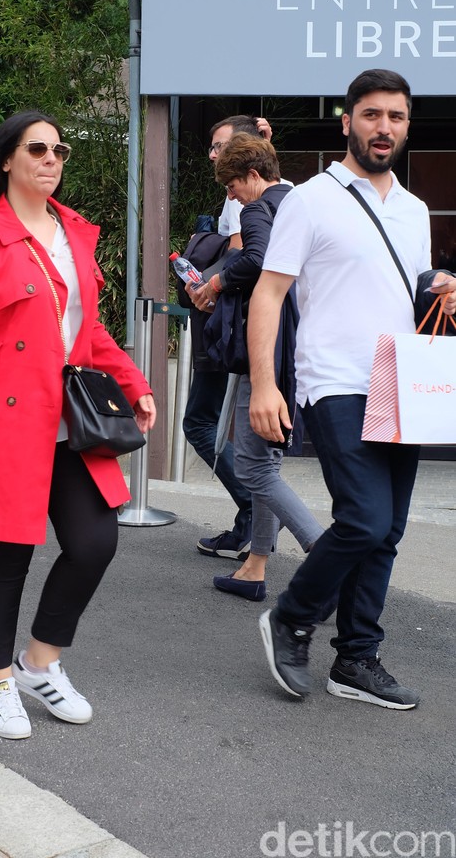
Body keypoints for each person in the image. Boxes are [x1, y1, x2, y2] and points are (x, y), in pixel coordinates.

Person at [0, 111, 156, 740]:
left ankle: (39, 662)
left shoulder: (73, 231)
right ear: (7, 158)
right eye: (38, 149)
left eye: (60, 150)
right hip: (1, 421)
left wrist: (134, 383)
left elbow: (87, 328)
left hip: (70, 420)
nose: (52, 160)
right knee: (6, 555)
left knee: (94, 543)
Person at [248, 68, 456, 709]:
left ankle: (356, 660)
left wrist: (444, 286)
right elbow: (270, 292)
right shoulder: (311, 199)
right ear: (348, 121)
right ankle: (291, 613)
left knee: (387, 529)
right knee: (363, 520)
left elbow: (407, 293)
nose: (383, 128)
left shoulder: (415, 209)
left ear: (406, 125)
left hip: (401, 376)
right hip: (336, 379)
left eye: (395, 116)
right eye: (371, 115)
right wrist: (264, 384)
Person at [189, 133, 323, 600]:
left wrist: (219, 280)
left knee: (252, 465)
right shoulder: (302, 200)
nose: (231, 195)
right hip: (303, 343)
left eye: (232, 185)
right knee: (267, 460)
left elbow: (259, 259)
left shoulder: (258, 207)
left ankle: (327, 557)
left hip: (268, 343)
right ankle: (255, 567)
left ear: (252, 175)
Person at [186, 115, 272, 561]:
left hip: (235, 326)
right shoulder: (277, 193)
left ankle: (259, 518)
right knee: (252, 440)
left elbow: (248, 254)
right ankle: (253, 529)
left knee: (201, 423)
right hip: (249, 327)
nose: (213, 155)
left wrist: (210, 284)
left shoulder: (250, 199)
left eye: (221, 146)